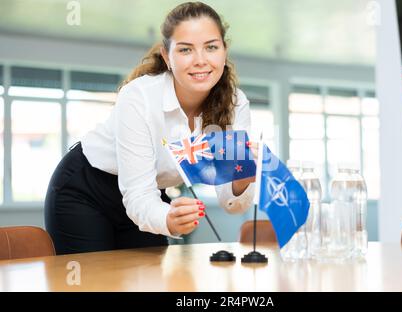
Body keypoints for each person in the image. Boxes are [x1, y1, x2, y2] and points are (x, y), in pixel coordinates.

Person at [44, 1, 255, 255]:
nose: (201, 60)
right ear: (167, 57)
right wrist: (168, 219)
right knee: (93, 280)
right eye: (186, 50)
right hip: (86, 191)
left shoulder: (235, 104)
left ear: (224, 50)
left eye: (211, 47)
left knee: (149, 279)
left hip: (150, 195)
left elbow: (232, 203)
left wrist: (242, 178)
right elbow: (137, 193)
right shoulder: (139, 97)